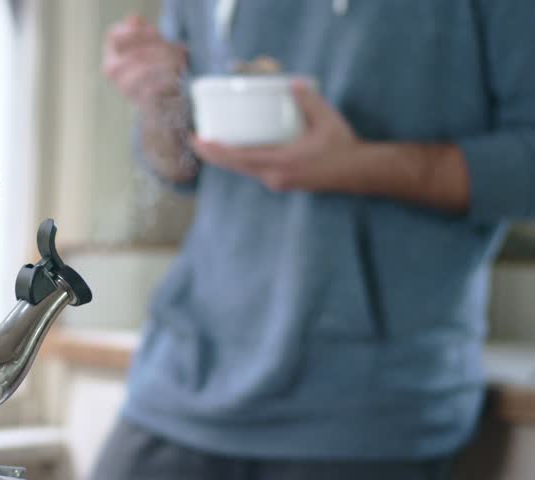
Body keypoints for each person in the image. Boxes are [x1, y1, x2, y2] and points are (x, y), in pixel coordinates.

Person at [93, 1, 535, 479]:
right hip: (177, 385)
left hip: (367, 414)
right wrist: (159, 99)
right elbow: (180, 169)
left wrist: (358, 165)